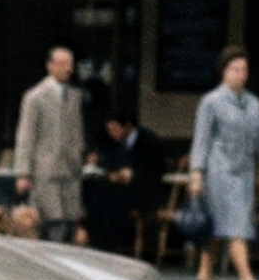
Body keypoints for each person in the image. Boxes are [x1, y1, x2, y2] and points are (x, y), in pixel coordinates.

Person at [189, 45, 259, 280]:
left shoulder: (254, 103)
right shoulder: (211, 101)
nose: (240, 74)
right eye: (234, 69)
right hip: (219, 172)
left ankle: (204, 275)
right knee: (235, 225)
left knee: (219, 226)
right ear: (223, 71)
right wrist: (197, 173)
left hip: (244, 173)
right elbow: (201, 140)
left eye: (244, 69)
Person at [14, 45, 87, 242]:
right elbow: (26, 136)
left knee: (70, 222)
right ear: (50, 66)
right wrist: (23, 173)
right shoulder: (35, 97)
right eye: (62, 64)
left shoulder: (74, 96)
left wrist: (81, 156)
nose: (67, 69)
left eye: (70, 64)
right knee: (52, 222)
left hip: (70, 169)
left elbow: (77, 131)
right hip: (45, 169)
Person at [91, 111, 166, 257]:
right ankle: (95, 242)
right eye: (109, 130)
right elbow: (107, 165)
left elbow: (157, 171)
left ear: (128, 126)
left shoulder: (148, 141)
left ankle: (104, 248)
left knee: (114, 201)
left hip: (146, 192)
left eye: (115, 129)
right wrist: (113, 175)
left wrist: (133, 175)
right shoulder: (112, 142)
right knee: (100, 194)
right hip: (120, 190)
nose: (112, 133)